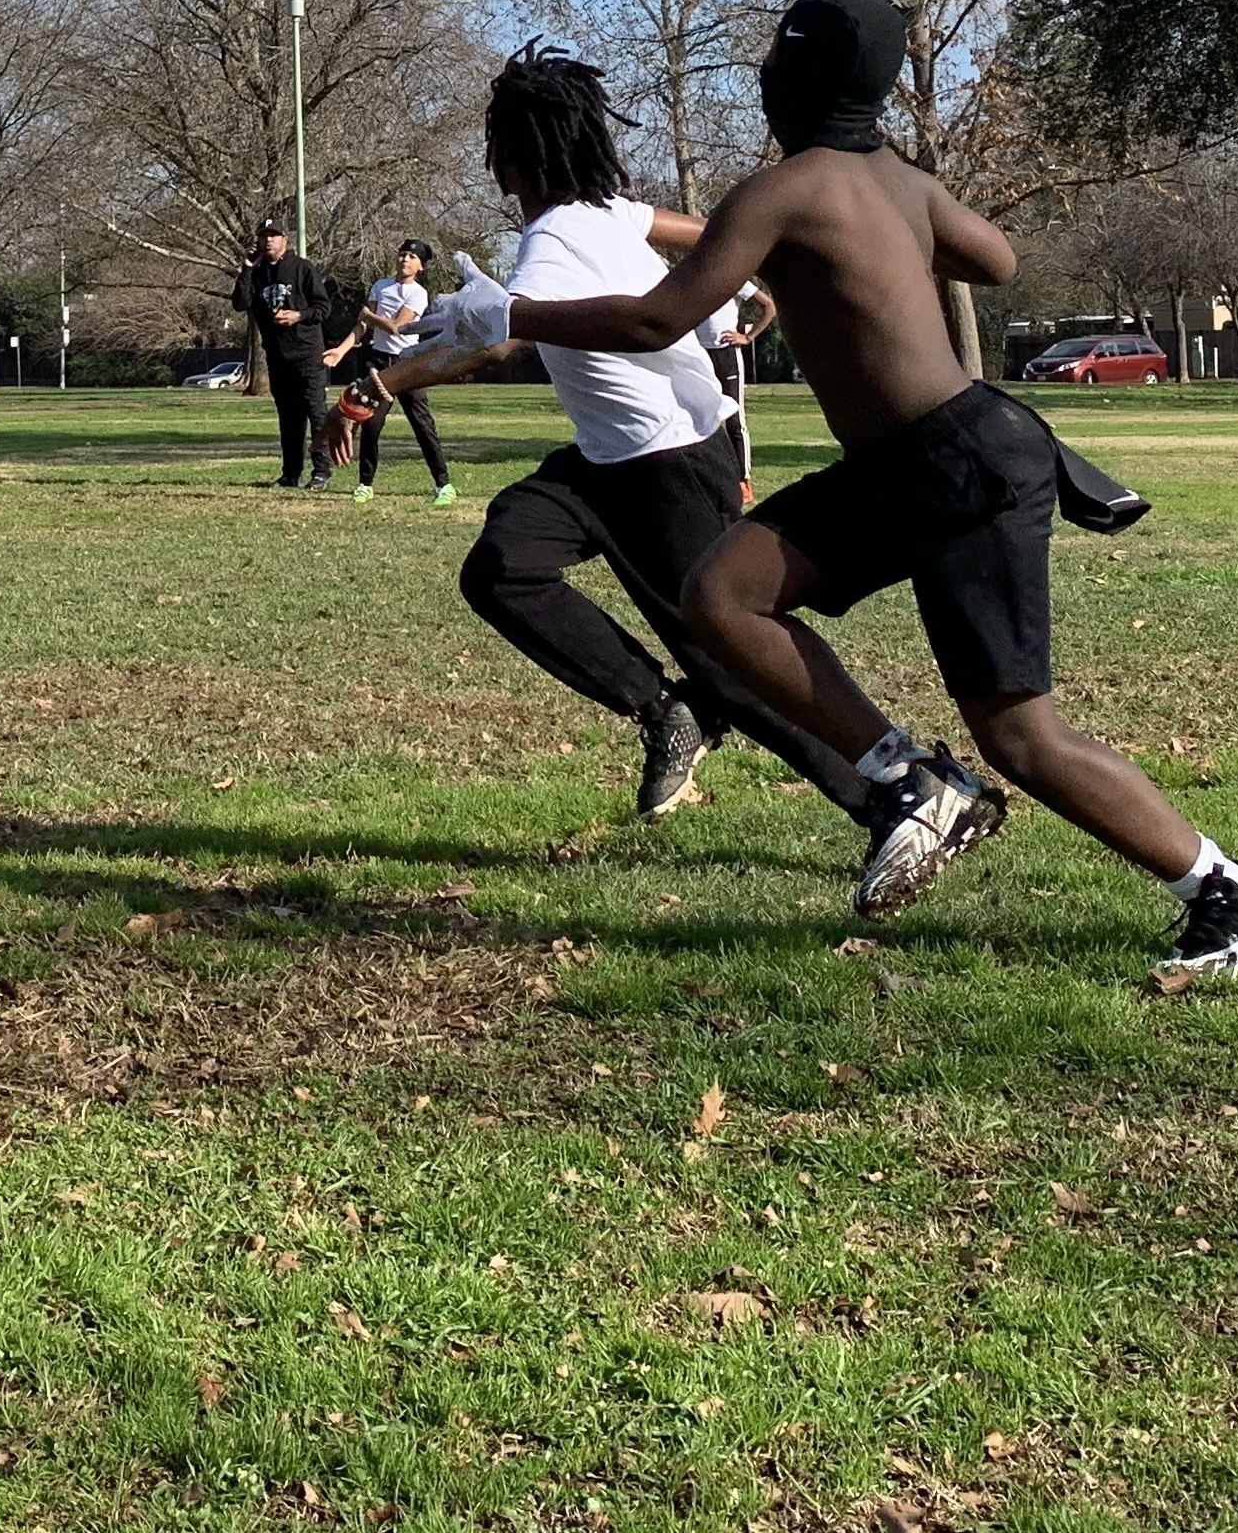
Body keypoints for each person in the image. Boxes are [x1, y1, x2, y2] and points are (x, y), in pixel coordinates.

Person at [504, 0, 1238, 981]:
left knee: (1023, 735)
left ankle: (1229, 893)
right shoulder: (895, 179)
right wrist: (898, 220)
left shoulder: (782, 191)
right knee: (721, 592)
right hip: (914, 461)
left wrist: (511, 319)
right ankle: (909, 784)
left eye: (770, 69)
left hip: (958, 463)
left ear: (787, 82)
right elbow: (995, 257)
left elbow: (657, 321)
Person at [355, 45, 1002, 901]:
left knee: (737, 659)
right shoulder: (617, 211)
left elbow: (502, 338)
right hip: (603, 460)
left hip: (665, 466)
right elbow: (715, 240)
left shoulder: (549, 244)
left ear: (506, 156)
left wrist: (388, 377)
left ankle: (904, 793)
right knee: (503, 567)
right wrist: (781, 256)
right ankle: (667, 711)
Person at [328, 237, 456, 506]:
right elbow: (362, 326)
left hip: (408, 363)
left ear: (420, 266)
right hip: (379, 361)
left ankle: (444, 485)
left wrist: (369, 316)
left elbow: (397, 326)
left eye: (412, 257)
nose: (405, 259)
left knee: (422, 425)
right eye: (402, 254)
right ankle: (365, 484)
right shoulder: (381, 286)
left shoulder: (417, 293)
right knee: (371, 423)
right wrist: (341, 349)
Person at [231, 220, 334, 491]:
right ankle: (290, 473)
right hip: (278, 356)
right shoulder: (258, 272)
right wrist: (246, 268)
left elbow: (323, 308)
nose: (268, 241)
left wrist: (298, 315)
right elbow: (240, 303)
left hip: (307, 355)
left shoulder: (302, 268)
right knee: (288, 417)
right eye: (264, 236)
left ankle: (322, 471)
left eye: (274, 236)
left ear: (284, 240)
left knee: (316, 412)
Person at [706, 280, 777, 506]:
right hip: (700, 355)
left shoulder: (733, 275)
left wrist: (747, 337)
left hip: (727, 355)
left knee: (734, 421)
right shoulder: (694, 272)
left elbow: (769, 307)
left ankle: (742, 481)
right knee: (704, 420)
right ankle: (711, 477)